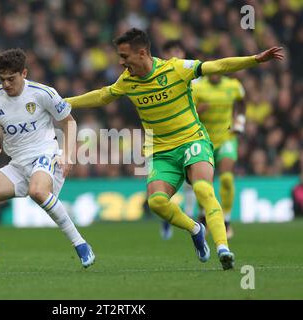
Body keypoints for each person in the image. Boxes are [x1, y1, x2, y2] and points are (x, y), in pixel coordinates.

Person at [65, 28, 283, 270]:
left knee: (203, 189)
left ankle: (223, 248)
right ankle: (195, 229)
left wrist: (254, 59)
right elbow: (102, 96)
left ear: (142, 53)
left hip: (192, 141)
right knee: (156, 202)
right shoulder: (127, 81)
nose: (121, 62)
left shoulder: (176, 68)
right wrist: (65, 103)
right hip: (162, 152)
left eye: (124, 56)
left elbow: (217, 66)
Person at [0, 48, 95, 273]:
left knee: (37, 191)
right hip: (18, 165)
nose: (7, 84)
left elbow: (69, 122)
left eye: (11, 79)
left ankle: (80, 244)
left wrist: (67, 155)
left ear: (24, 73)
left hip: (46, 156)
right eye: (2, 79)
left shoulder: (42, 93)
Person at [193, 73, 246, 240]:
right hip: (203, 140)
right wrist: (198, 111)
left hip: (226, 138)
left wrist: (240, 122)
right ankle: (203, 216)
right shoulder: (197, 87)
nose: (214, 74)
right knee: (203, 184)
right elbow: (187, 114)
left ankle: (227, 221)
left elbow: (242, 104)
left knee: (226, 179)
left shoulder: (233, 85)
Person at [159, 40, 198, 240]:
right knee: (164, 183)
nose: (177, 54)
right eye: (172, 51)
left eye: (179, 50)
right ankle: (167, 216)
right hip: (159, 138)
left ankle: (190, 217)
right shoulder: (154, 79)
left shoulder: (194, 79)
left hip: (187, 136)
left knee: (191, 180)